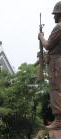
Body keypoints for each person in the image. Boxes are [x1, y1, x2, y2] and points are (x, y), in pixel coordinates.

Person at [39, 1, 61, 129]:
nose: (54, 17)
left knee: (56, 90)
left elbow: (48, 45)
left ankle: (58, 119)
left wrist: (41, 37)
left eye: (55, 14)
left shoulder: (59, 27)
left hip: (56, 63)